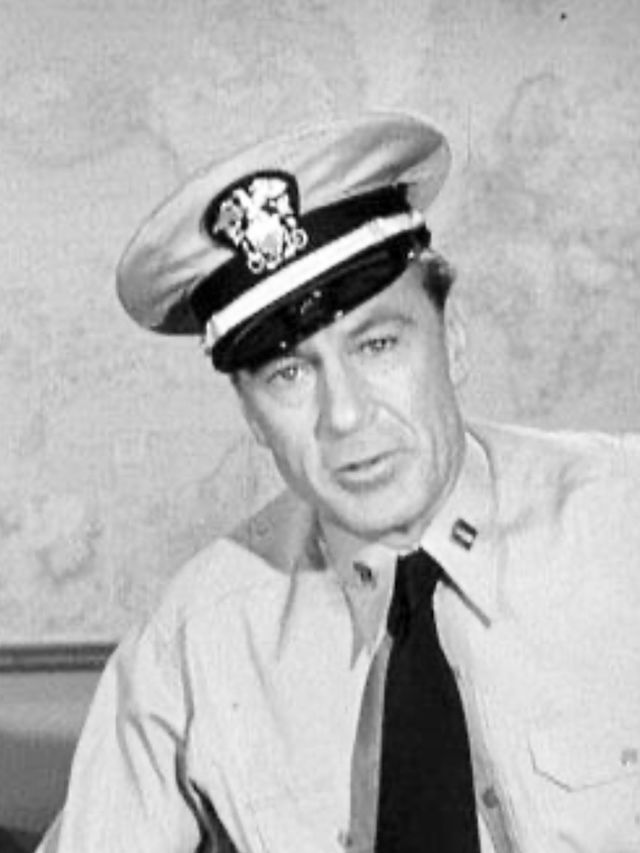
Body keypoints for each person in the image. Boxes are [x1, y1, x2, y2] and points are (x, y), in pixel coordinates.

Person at [37, 112, 640, 853]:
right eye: (289, 374)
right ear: (252, 416)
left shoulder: (624, 519)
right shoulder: (192, 643)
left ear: (452, 340)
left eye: (378, 343)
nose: (346, 415)